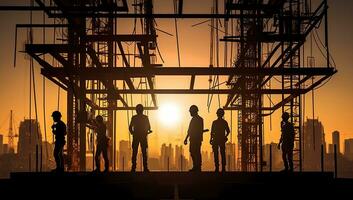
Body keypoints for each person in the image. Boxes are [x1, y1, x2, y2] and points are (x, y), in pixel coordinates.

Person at [129, 104, 152, 172]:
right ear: (142, 110)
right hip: (143, 136)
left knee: (135, 152)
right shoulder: (145, 117)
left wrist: (132, 132)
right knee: (144, 152)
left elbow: (130, 127)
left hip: (136, 136)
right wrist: (146, 131)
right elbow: (149, 127)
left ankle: (133, 167)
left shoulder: (134, 118)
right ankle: (145, 168)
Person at [184, 105, 204, 172]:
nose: (190, 113)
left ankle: (198, 167)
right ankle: (196, 166)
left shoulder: (199, 119)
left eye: (191, 112)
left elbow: (197, 130)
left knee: (196, 152)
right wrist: (186, 138)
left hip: (196, 139)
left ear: (194, 111)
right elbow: (190, 130)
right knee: (193, 152)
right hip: (193, 139)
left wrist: (186, 138)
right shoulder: (194, 119)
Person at [210, 108, 230, 172]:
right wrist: (225, 137)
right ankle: (222, 168)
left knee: (218, 154)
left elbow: (212, 132)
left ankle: (218, 167)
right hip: (220, 139)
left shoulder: (215, 122)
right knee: (222, 153)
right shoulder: (224, 122)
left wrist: (211, 139)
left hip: (217, 139)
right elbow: (228, 131)